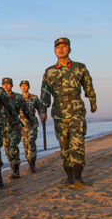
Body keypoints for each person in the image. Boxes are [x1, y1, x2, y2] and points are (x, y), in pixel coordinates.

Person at [40, 37, 97, 188]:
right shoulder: (50, 72)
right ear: (54, 51)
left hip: (76, 109)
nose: (61, 49)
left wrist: (92, 102)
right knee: (64, 145)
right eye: (58, 47)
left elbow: (88, 85)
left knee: (77, 141)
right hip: (59, 111)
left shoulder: (79, 67)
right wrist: (42, 111)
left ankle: (78, 177)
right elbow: (44, 93)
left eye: (64, 46)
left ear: (69, 49)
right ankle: (69, 176)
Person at [1, 77, 30, 178]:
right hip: (3, 127)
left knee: (13, 146)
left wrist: (29, 121)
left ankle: (16, 169)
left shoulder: (17, 97)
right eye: (4, 84)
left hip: (15, 126)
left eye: (8, 84)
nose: (6, 85)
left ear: (12, 85)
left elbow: (26, 110)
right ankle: (13, 167)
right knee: (7, 149)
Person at [19, 80, 47, 173]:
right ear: (20, 87)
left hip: (32, 124)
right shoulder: (18, 98)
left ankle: (32, 165)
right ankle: (29, 162)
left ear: (29, 87)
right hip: (22, 125)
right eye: (22, 86)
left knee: (31, 142)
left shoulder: (34, 97)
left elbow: (40, 107)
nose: (24, 87)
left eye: (25, 86)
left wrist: (42, 113)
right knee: (25, 144)